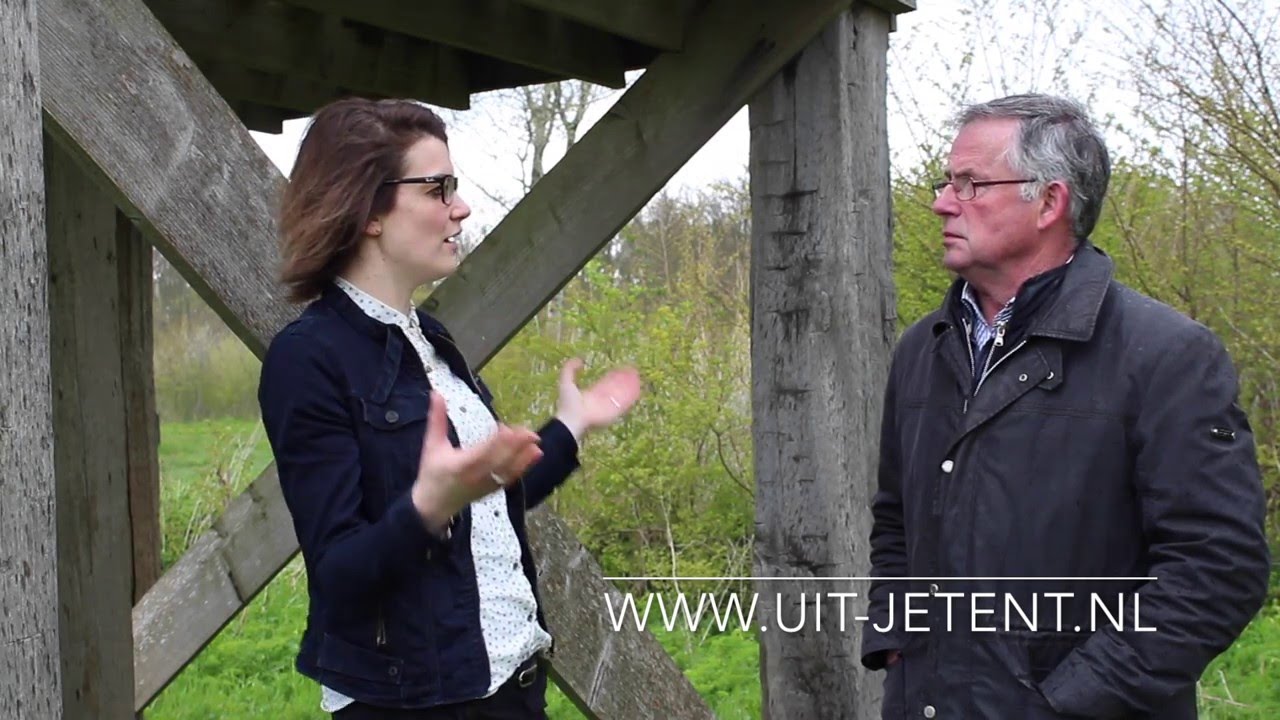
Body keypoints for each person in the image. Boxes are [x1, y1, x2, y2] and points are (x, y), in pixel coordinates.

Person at [861, 93, 1271, 719]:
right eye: (947, 182)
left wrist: (1072, 699)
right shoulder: (925, 346)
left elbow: (1216, 569)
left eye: (970, 184)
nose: (943, 202)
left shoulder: (1166, 355)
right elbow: (896, 520)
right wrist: (896, 641)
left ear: (1050, 201)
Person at [257, 97, 642, 719]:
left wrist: (571, 425)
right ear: (368, 210)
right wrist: (427, 506)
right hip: (415, 703)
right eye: (438, 189)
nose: (460, 206)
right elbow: (339, 573)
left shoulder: (429, 338)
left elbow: (485, 498)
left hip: (510, 686)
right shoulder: (309, 358)